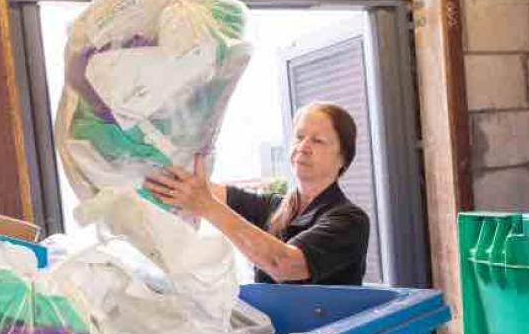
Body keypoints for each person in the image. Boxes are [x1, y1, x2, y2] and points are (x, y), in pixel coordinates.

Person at [143, 102, 370, 285]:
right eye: (299, 137)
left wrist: (207, 206)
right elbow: (197, 188)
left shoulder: (349, 220)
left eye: (318, 141)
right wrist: (138, 167)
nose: (303, 147)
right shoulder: (274, 208)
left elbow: (282, 264)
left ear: (343, 157)